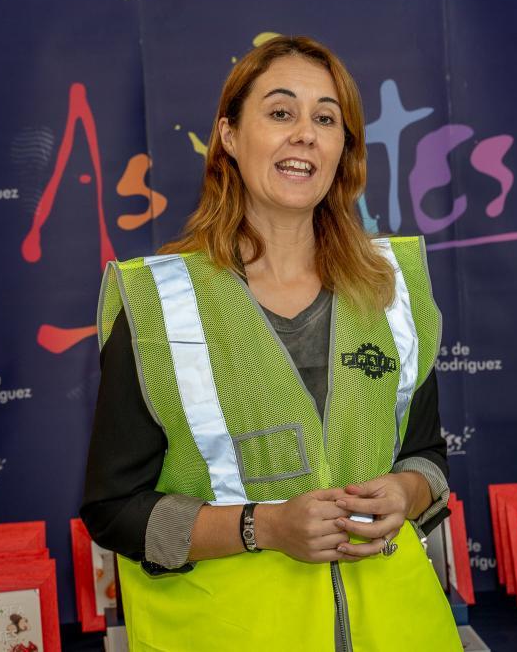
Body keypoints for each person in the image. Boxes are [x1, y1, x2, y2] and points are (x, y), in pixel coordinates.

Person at [80, 36, 461, 651]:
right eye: (281, 112)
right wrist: (266, 527)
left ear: (343, 150)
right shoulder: (159, 303)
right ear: (229, 136)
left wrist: (405, 492)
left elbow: (427, 457)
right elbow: (114, 509)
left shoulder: (391, 288)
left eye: (326, 119)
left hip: (401, 631)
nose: (305, 134)